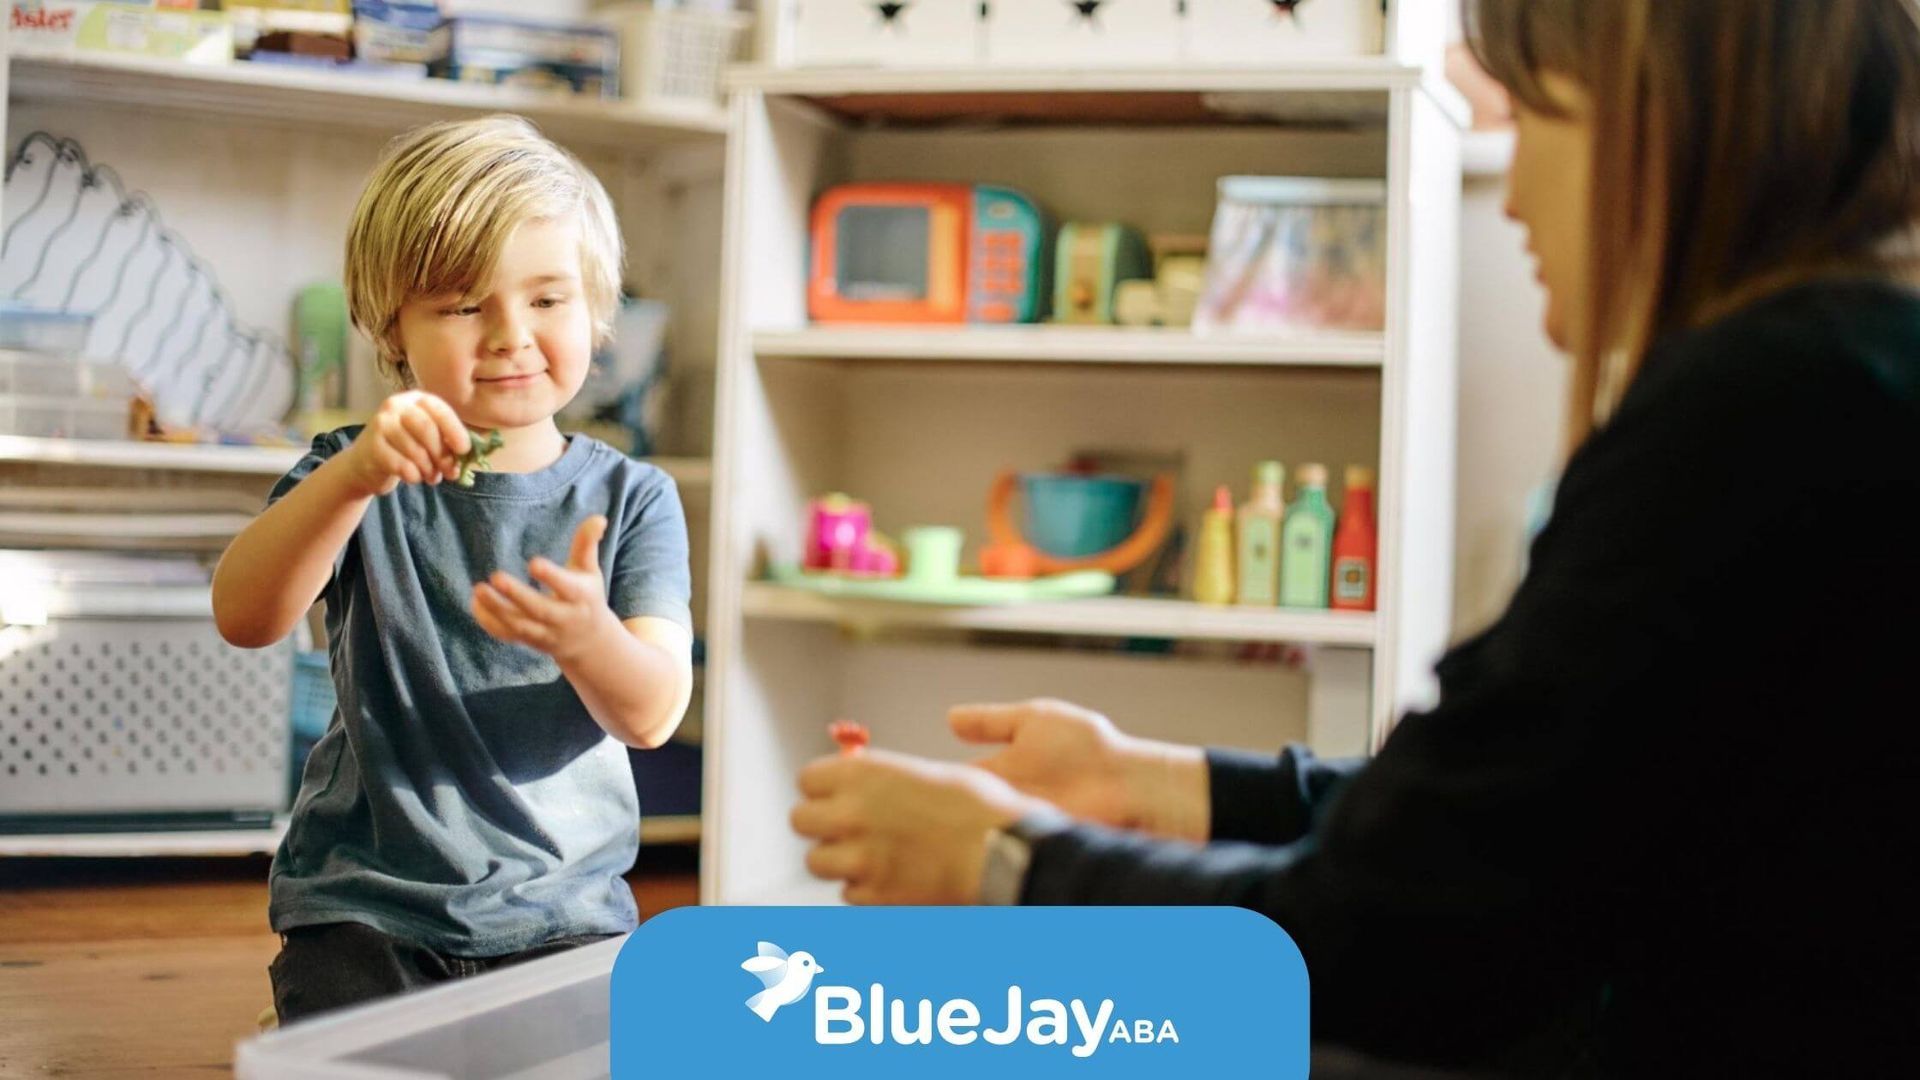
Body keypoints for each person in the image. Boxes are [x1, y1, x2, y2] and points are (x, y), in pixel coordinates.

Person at [789, 2, 1920, 1074]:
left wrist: (1008, 864)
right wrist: (1157, 784)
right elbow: (1515, 817)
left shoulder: (1759, 408)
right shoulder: (1841, 374)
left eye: (1535, 120)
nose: (1514, 193)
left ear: (1663, 122)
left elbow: (1387, 942)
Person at [212, 116, 695, 1024]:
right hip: (364, 908)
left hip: (568, 918)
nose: (511, 334)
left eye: (548, 300)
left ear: (597, 313)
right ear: (390, 328)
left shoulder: (634, 497)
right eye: (463, 305)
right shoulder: (349, 472)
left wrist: (591, 638)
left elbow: (653, 713)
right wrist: (354, 478)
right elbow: (244, 615)